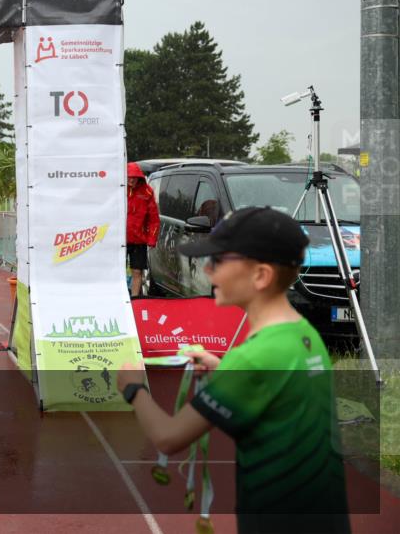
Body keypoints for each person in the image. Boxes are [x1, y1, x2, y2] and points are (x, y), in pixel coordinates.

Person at [117, 207, 350, 533]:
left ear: (260, 276)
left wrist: (133, 386)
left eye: (219, 262)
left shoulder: (254, 358)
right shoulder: (302, 334)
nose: (209, 272)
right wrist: (223, 367)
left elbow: (169, 438)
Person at [126, 162, 160, 297]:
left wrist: (152, 239)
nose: (131, 180)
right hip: (119, 240)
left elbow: (154, 219)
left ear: (139, 177)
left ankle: (135, 300)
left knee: (137, 272)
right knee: (116, 272)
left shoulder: (147, 192)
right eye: (129, 177)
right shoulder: (118, 190)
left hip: (138, 240)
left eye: (134, 177)